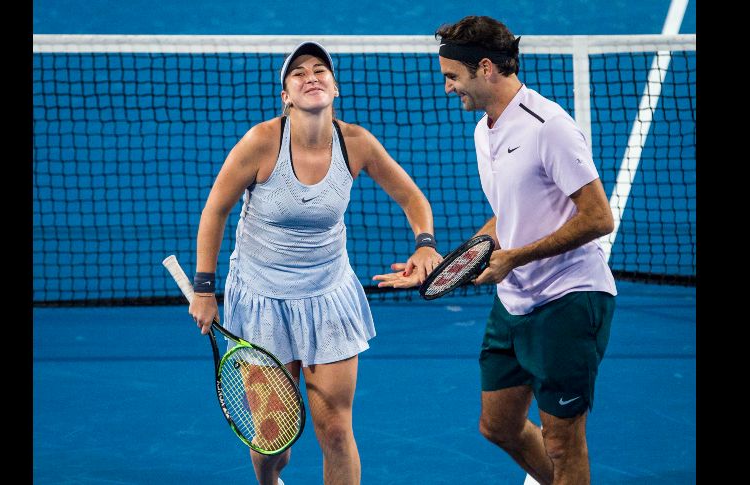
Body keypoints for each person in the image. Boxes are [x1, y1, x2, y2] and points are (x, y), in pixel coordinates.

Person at [373, 15, 617, 485]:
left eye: (452, 76)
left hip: (568, 300)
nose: (447, 88)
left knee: (564, 443)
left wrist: (514, 259)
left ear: (485, 68)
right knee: (498, 425)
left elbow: (598, 217)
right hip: (515, 302)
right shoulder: (484, 131)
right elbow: (507, 217)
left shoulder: (549, 127)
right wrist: (452, 264)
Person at [189, 41, 443, 485]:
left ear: (335, 88)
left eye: (320, 70)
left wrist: (424, 244)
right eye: (298, 73)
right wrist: (205, 289)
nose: (311, 77)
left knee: (335, 430)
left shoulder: (357, 143)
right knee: (273, 442)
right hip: (263, 300)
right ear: (285, 95)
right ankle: (269, 480)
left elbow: (412, 198)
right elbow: (215, 211)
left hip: (328, 296)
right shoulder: (261, 143)